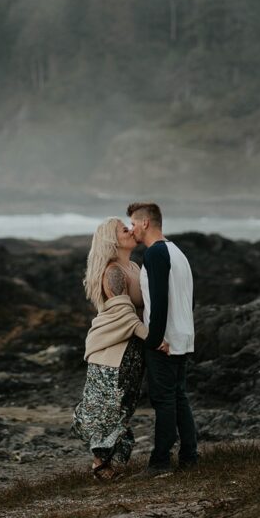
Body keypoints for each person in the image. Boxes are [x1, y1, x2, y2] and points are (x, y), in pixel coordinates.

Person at [72, 217, 149, 481]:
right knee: (109, 408)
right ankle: (100, 467)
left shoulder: (135, 267)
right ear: (111, 239)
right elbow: (125, 315)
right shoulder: (114, 271)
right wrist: (153, 338)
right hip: (111, 350)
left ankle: (111, 467)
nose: (130, 230)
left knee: (123, 407)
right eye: (123, 229)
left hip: (131, 349)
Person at [128, 201, 198, 475]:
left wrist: (153, 339)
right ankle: (189, 457)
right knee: (178, 397)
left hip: (164, 340)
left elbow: (157, 303)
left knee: (164, 400)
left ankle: (160, 462)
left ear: (145, 223)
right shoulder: (177, 251)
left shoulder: (156, 254)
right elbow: (187, 299)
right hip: (182, 335)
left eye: (133, 223)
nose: (131, 229)